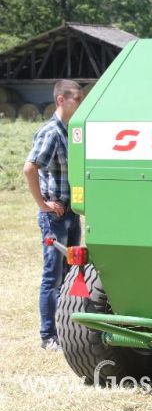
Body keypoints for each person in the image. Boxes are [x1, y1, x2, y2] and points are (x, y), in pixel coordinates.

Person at [23, 79, 84, 351]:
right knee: (53, 276)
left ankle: (68, 331)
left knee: (72, 274)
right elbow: (29, 169)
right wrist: (43, 204)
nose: (81, 103)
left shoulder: (72, 132)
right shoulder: (51, 132)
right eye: (77, 99)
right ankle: (48, 336)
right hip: (55, 216)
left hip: (72, 212)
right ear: (61, 100)